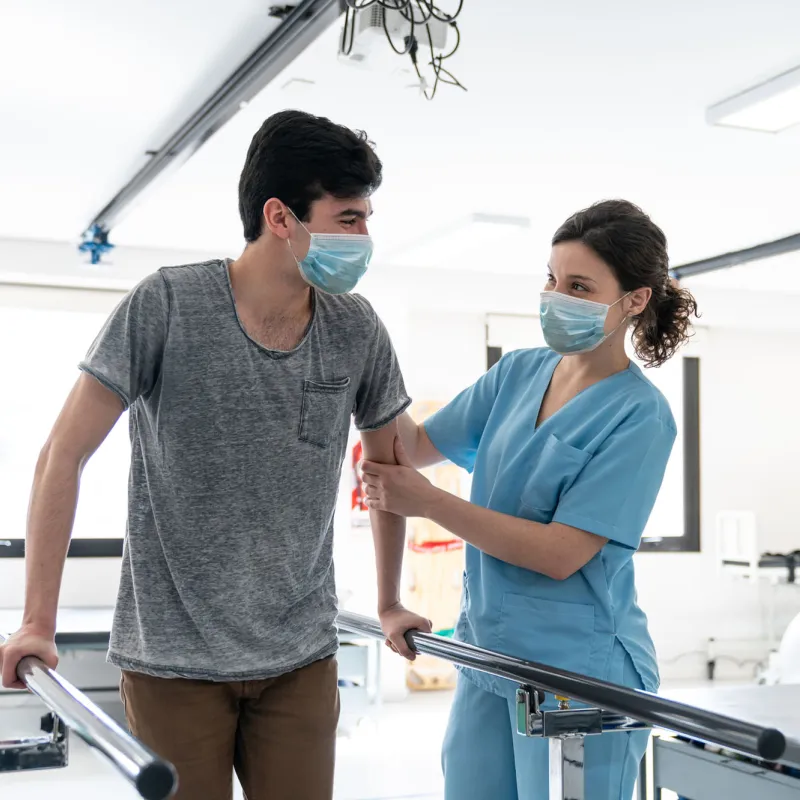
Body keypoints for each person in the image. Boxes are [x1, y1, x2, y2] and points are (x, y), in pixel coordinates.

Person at [0, 109, 431, 800]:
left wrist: (387, 601)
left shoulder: (356, 328)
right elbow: (62, 456)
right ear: (281, 217)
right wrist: (36, 622)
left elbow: (386, 472)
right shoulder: (168, 305)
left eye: (366, 219)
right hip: (173, 660)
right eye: (349, 219)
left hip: (300, 657)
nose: (365, 238)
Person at [361, 199, 698, 800]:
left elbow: (561, 553)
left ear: (635, 300)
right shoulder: (517, 372)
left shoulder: (641, 416)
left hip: (581, 672)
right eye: (551, 277)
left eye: (578, 285)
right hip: (491, 659)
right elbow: (410, 445)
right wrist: (366, 363)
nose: (555, 295)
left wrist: (431, 504)